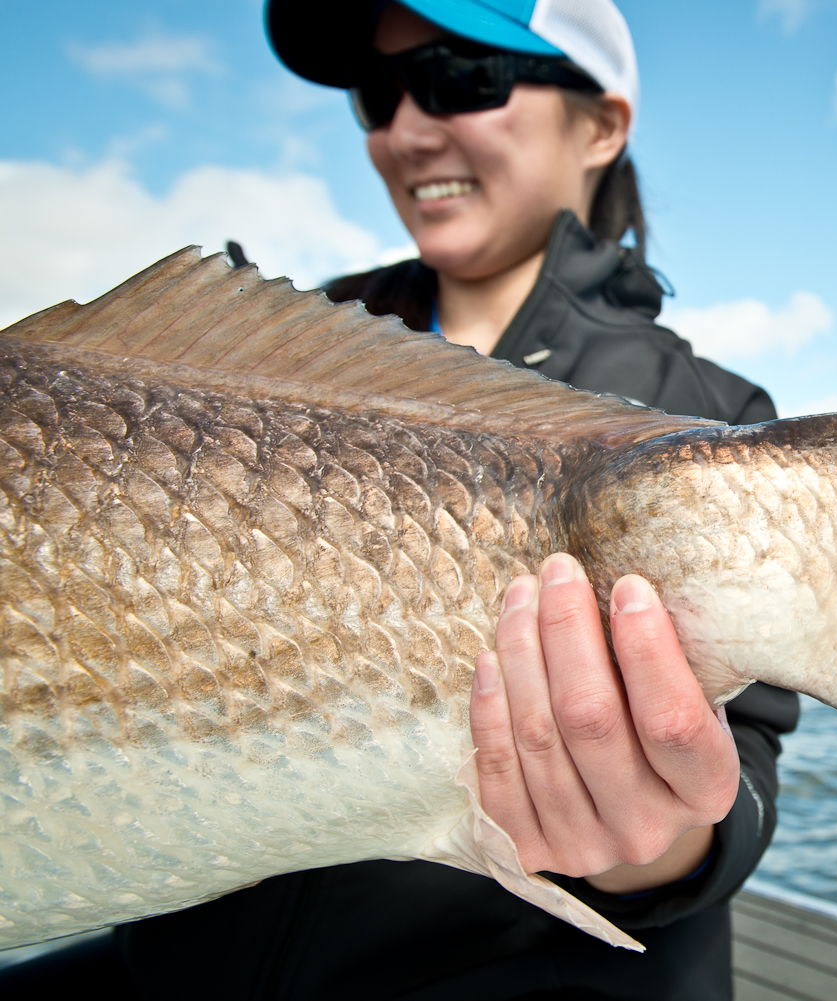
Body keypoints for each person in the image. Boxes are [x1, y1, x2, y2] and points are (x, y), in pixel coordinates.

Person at [0, 2, 797, 999]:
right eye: (379, 94)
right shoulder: (263, 344)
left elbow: (744, 793)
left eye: (464, 77)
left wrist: (657, 837)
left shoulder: (714, 421)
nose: (407, 130)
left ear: (601, 126)